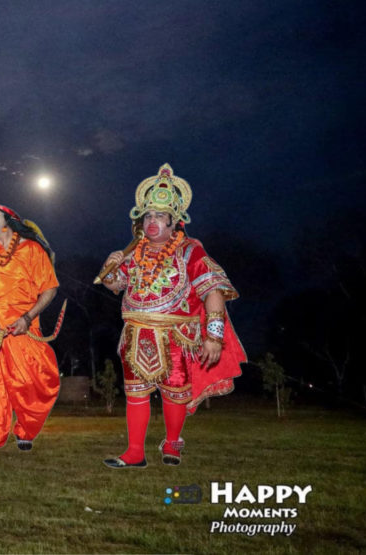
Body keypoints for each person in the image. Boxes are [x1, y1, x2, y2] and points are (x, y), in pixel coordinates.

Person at [99, 163, 245, 468]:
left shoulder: (191, 251)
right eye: (148, 216)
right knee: (135, 393)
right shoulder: (134, 252)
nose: (152, 221)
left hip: (177, 335)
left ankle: (173, 444)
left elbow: (213, 291)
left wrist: (214, 336)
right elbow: (116, 286)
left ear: (174, 221)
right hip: (135, 333)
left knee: (175, 393)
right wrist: (110, 268)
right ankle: (135, 453)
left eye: (160, 216)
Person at [0, 186, 61, 455]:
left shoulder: (32, 251)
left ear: (9, 218)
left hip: (23, 330)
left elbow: (49, 289)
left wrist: (28, 317)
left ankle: (26, 430)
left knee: (30, 384)